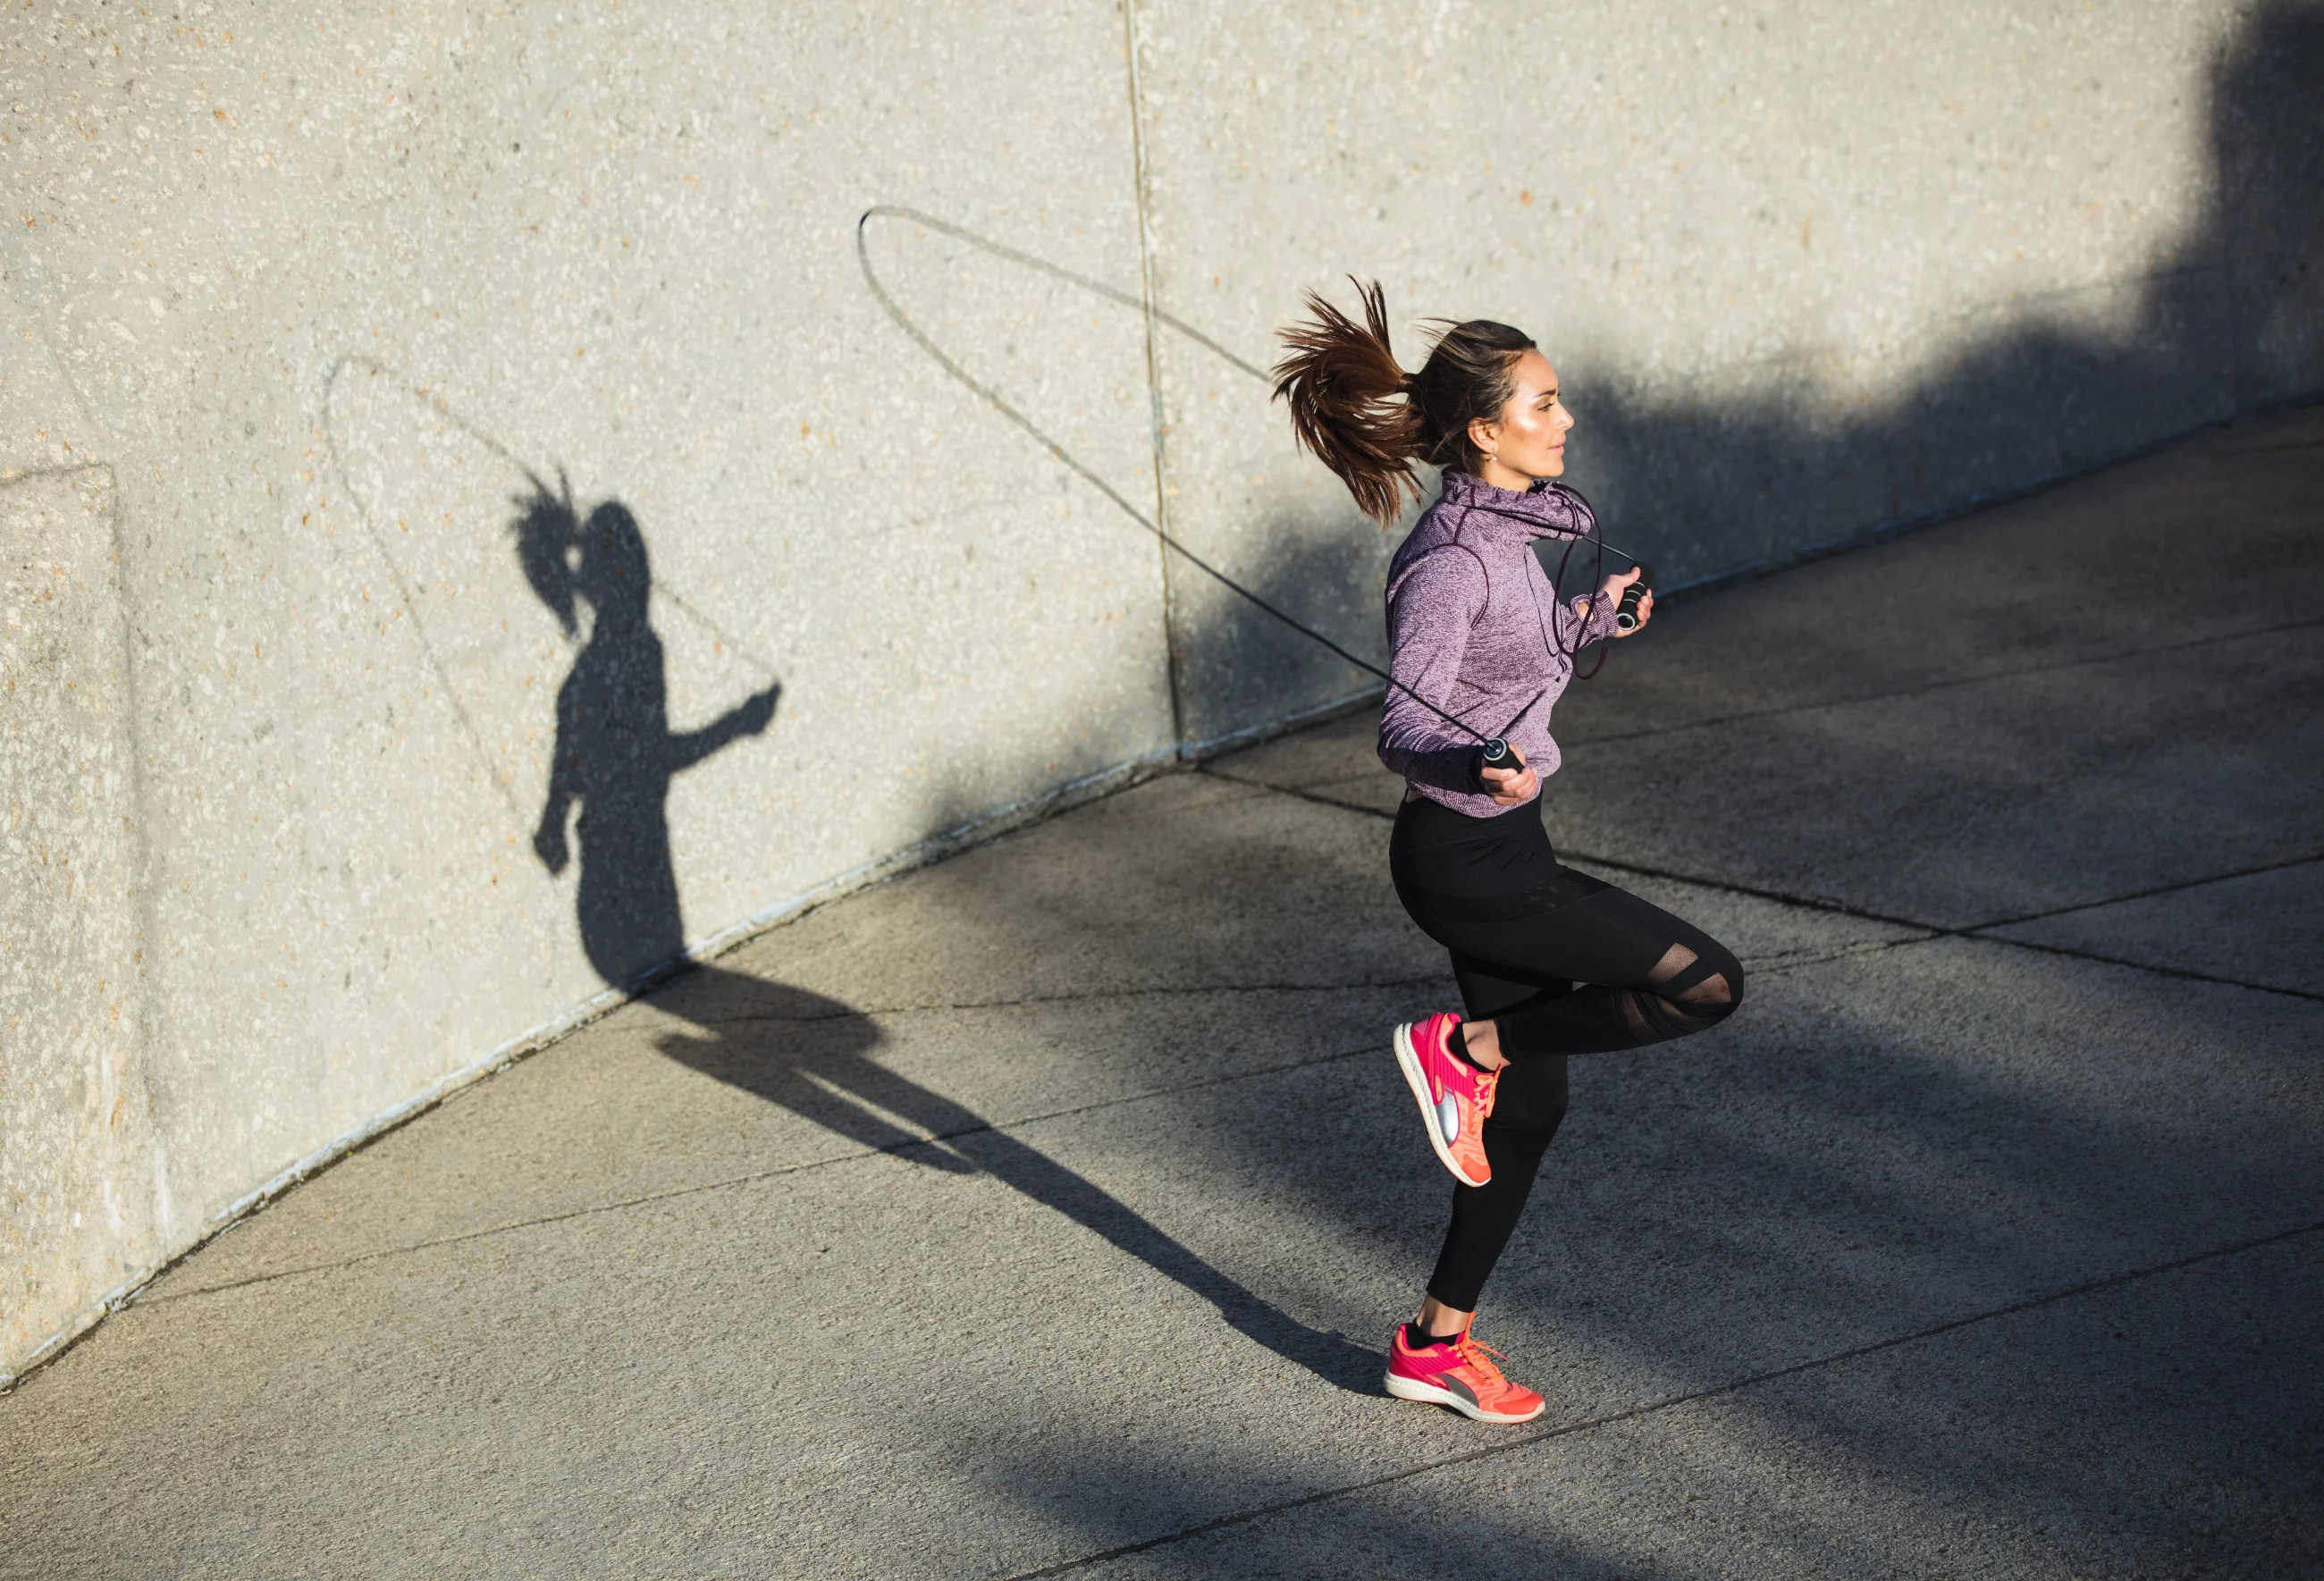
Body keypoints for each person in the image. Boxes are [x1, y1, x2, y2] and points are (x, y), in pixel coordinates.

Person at [1274, 282, 1746, 1424]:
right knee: (1704, 981)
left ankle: (1433, 1343)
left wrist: (1590, 622)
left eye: (1558, 396)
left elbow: (1506, 660)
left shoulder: (1515, 533)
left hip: (1499, 843)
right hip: (1467, 859)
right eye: (1543, 401)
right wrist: (1473, 762)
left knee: (1529, 1117)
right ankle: (1461, 1044)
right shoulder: (1449, 562)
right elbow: (1407, 722)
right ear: (1484, 429)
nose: (1565, 415)